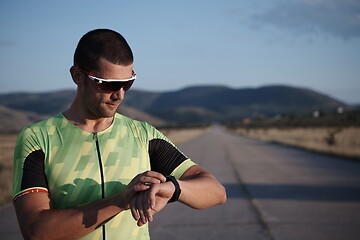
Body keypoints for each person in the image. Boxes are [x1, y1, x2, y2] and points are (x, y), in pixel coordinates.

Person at [12, 28, 226, 240]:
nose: (120, 95)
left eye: (128, 83)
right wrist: (120, 200)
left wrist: (174, 188)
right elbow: (36, 231)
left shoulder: (143, 134)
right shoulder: (38, 138)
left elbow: (216, 192)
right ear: (77, 76)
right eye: (109, 85)